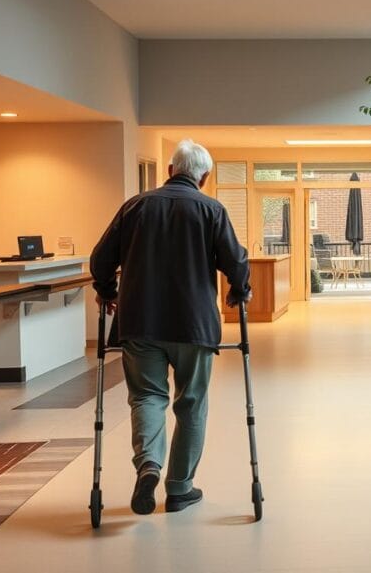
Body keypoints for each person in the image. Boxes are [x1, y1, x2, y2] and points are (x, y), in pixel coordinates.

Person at [90, 139, 251, 515]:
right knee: (191, 404)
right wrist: (237, 291)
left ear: (169, 171)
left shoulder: (135, 207)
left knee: (147, 397)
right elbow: (237, 262)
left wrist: (107, 290)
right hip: (194, 325)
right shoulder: (212, 209)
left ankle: (149, 464)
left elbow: (101, 259)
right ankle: (179, 489)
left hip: (139, 322)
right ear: (205, 177)